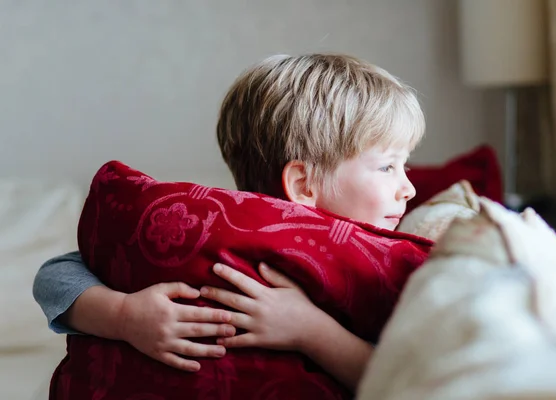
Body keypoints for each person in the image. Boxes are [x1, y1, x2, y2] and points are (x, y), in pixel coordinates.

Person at [33, 53, 425, 391]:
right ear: (303, 184)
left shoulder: (388, 261)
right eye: (388, 166)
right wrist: (123, 316)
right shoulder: (214, 229)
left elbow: (412, 381)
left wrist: (311, 331)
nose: (407, 188)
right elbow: (57, 274)